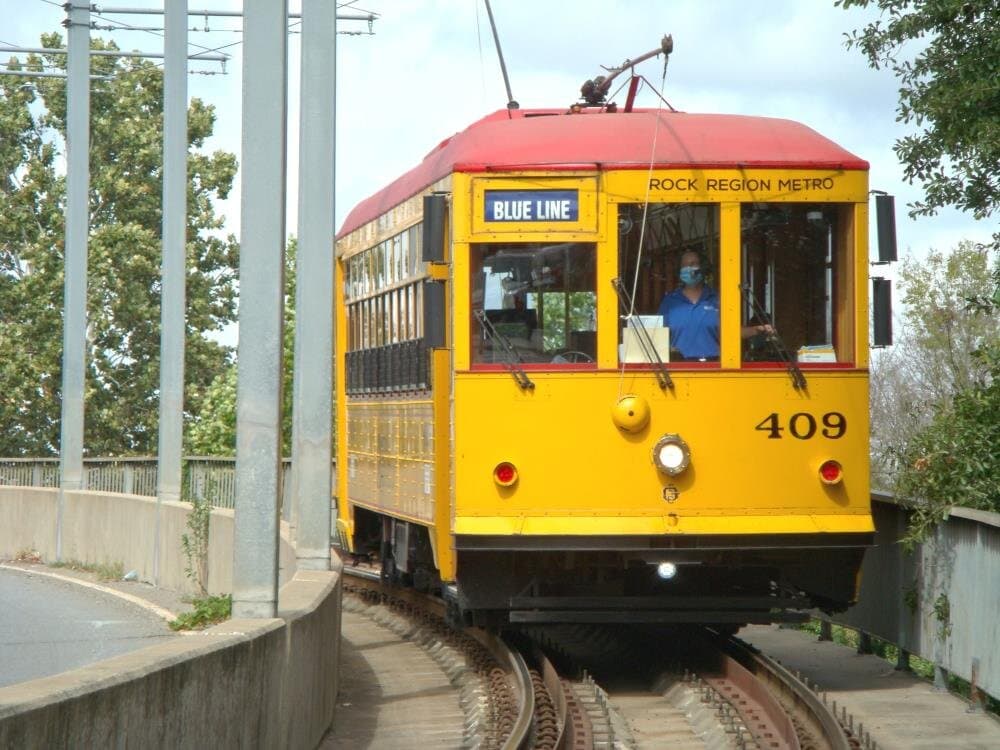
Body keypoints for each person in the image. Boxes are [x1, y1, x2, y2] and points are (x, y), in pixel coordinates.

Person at [657, 251, 772, 360]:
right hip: (678, 367)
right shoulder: (670, 302)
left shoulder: (718, 299)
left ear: (703, 268)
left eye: (693, 264)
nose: (688, 268)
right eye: (684, 265)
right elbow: (657, 335)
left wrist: (756, 330)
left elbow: (732, 331)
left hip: (714, 366)